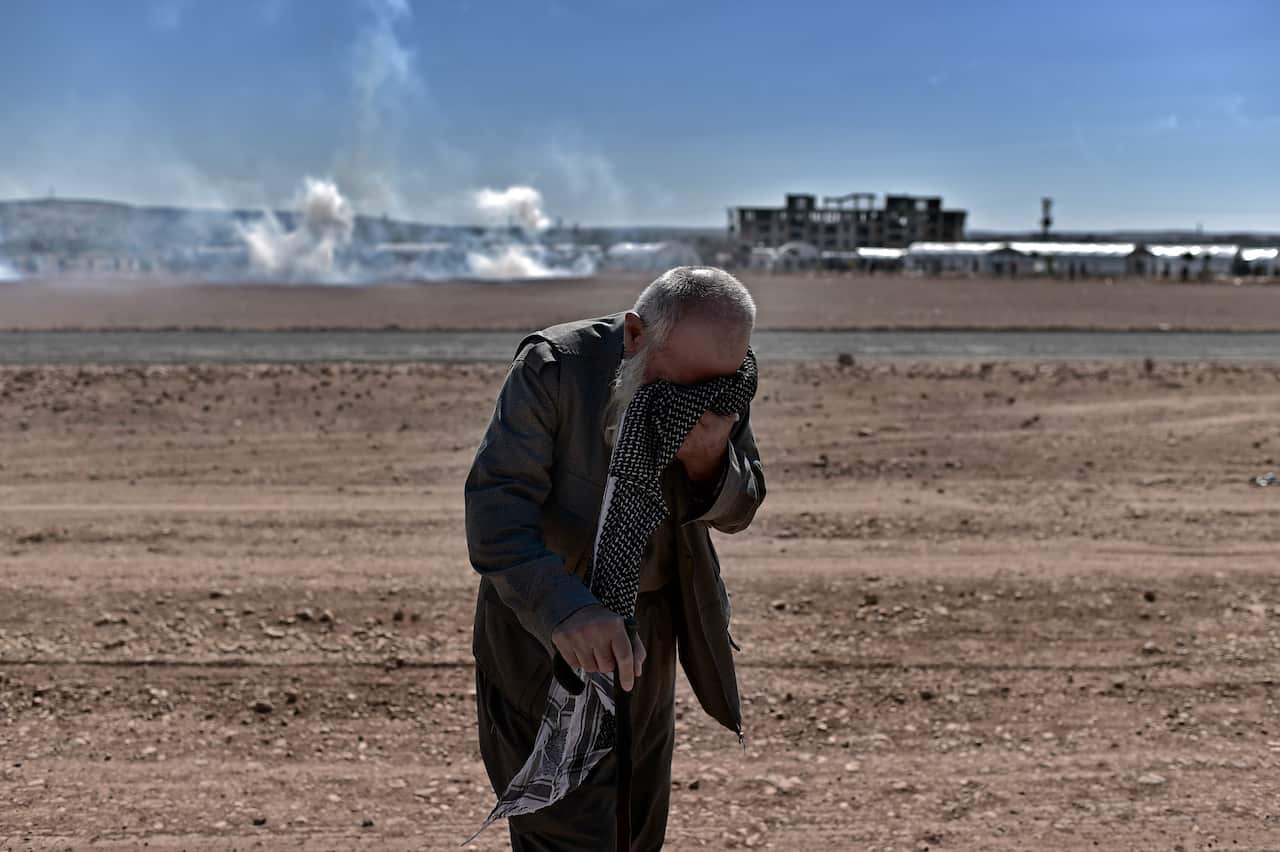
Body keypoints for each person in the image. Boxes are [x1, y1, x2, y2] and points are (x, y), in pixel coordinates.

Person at [465, 266, 766, 850]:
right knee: (564, 831)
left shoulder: (726, 380)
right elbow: (497, 511)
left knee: (635, 827)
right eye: (675, 385)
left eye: (710, 388)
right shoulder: (555, 367)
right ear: (635, 335)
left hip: (647, 636)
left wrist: (709, 460)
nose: (691, 402)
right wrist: (566, 612)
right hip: (543, 631)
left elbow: (741, 504)